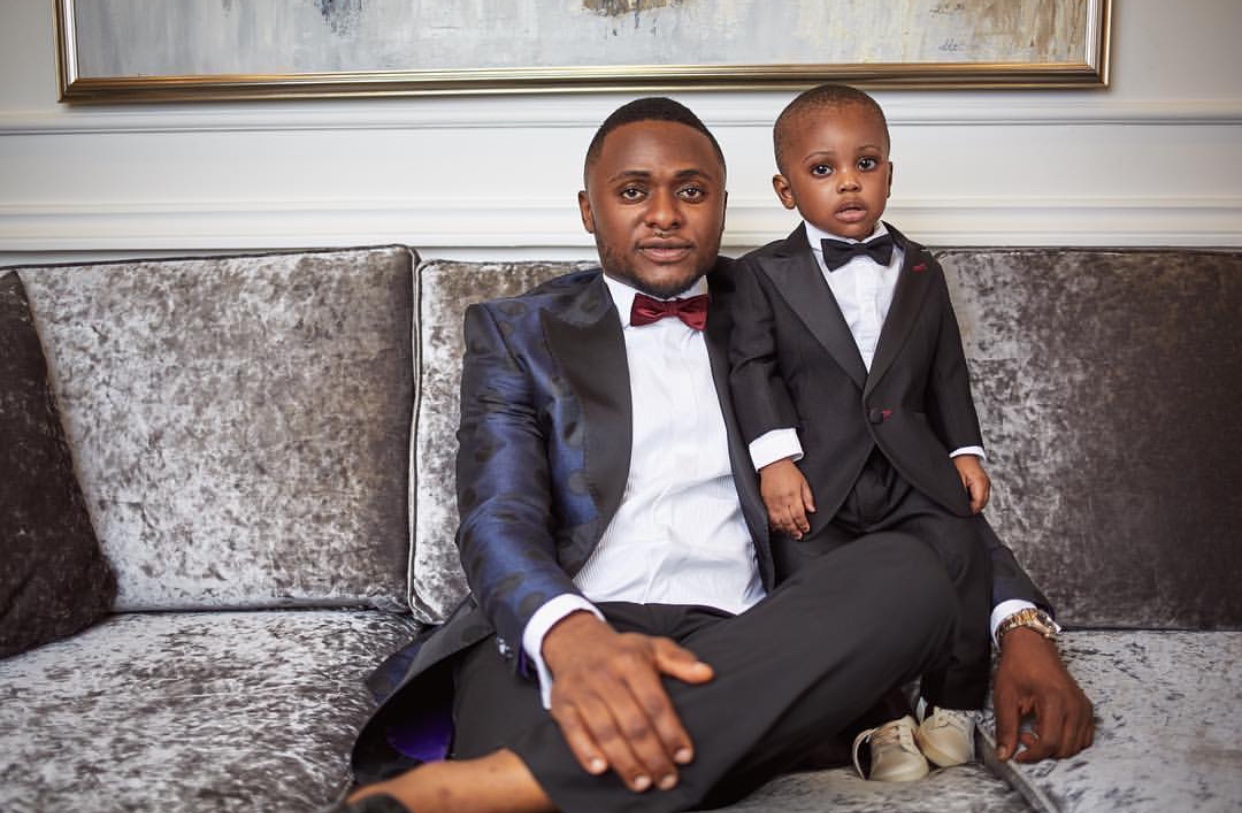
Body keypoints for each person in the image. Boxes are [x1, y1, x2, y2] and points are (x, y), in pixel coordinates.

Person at [330, 96, 1093, 813]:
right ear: (589, 209)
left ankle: (525, 781)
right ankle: (568, 768)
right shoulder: (516, 331)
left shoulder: (783, 304)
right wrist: (569, 635)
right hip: (566, 627)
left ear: (724, 206)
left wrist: (1020, 624)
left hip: (746, 639)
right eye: (634, 191)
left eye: (691, 191)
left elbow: (910, 464)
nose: (665, 214)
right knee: (542, 712)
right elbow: (498, 516)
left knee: (910, 578)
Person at [726, 82, 1037, 780]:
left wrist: (965, 451)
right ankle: (877, 717)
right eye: (823, 169)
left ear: (889, 175)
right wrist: (776, 463)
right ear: (785, 190)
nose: (848, 182)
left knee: (960, 553)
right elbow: (752, 370)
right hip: (818, 479)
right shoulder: (761, 276)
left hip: (913, 470)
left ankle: (951, 701)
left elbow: (947, 372)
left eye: (865, 164)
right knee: (822, 586)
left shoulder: (923, 270)